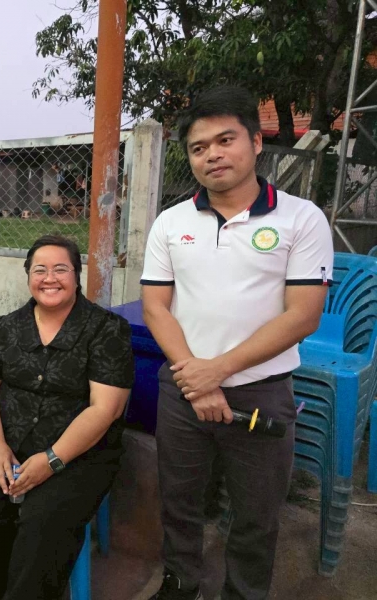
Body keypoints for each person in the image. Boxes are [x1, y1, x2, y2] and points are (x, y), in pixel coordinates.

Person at [140, 86, 333, 600]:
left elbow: (303, 315)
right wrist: (197, 378)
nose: (212, 154)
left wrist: (217, 370)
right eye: (199, 147)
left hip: (261, 391)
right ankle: (180, 582)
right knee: (179, 501)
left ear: (256, 141)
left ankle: (244, 593)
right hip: (183, 388)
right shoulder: (171, 222)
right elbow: (156, 307)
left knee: (256, 514)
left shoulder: (301, 218)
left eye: (225, 140)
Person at [0, 235, 135, 600]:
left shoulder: (106, 330)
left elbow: (106, 408)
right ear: (28, 276)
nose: (49, 278)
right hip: (8, 440)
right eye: (40, 269)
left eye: (60, 269)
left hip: (79, 451)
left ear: (76, 275)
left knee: (44, 519)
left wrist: (53, 460)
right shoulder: (5, 327)